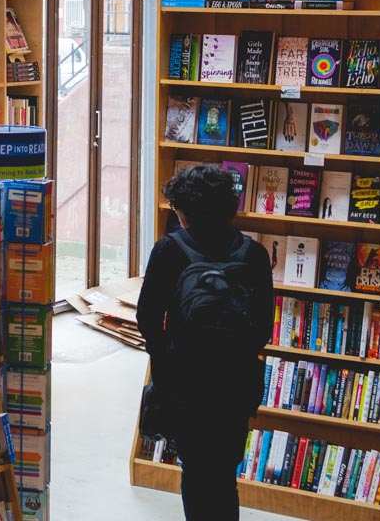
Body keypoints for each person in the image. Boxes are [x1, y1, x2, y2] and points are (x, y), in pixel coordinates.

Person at [137, 163, 274, 521]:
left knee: (195, 473)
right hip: (235, 383)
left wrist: (166, 362)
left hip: (186, 383)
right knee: (224, 474)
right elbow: (263, 329)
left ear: (185, 210)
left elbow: (147, 318)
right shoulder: (253, 254)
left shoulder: (169, 250)